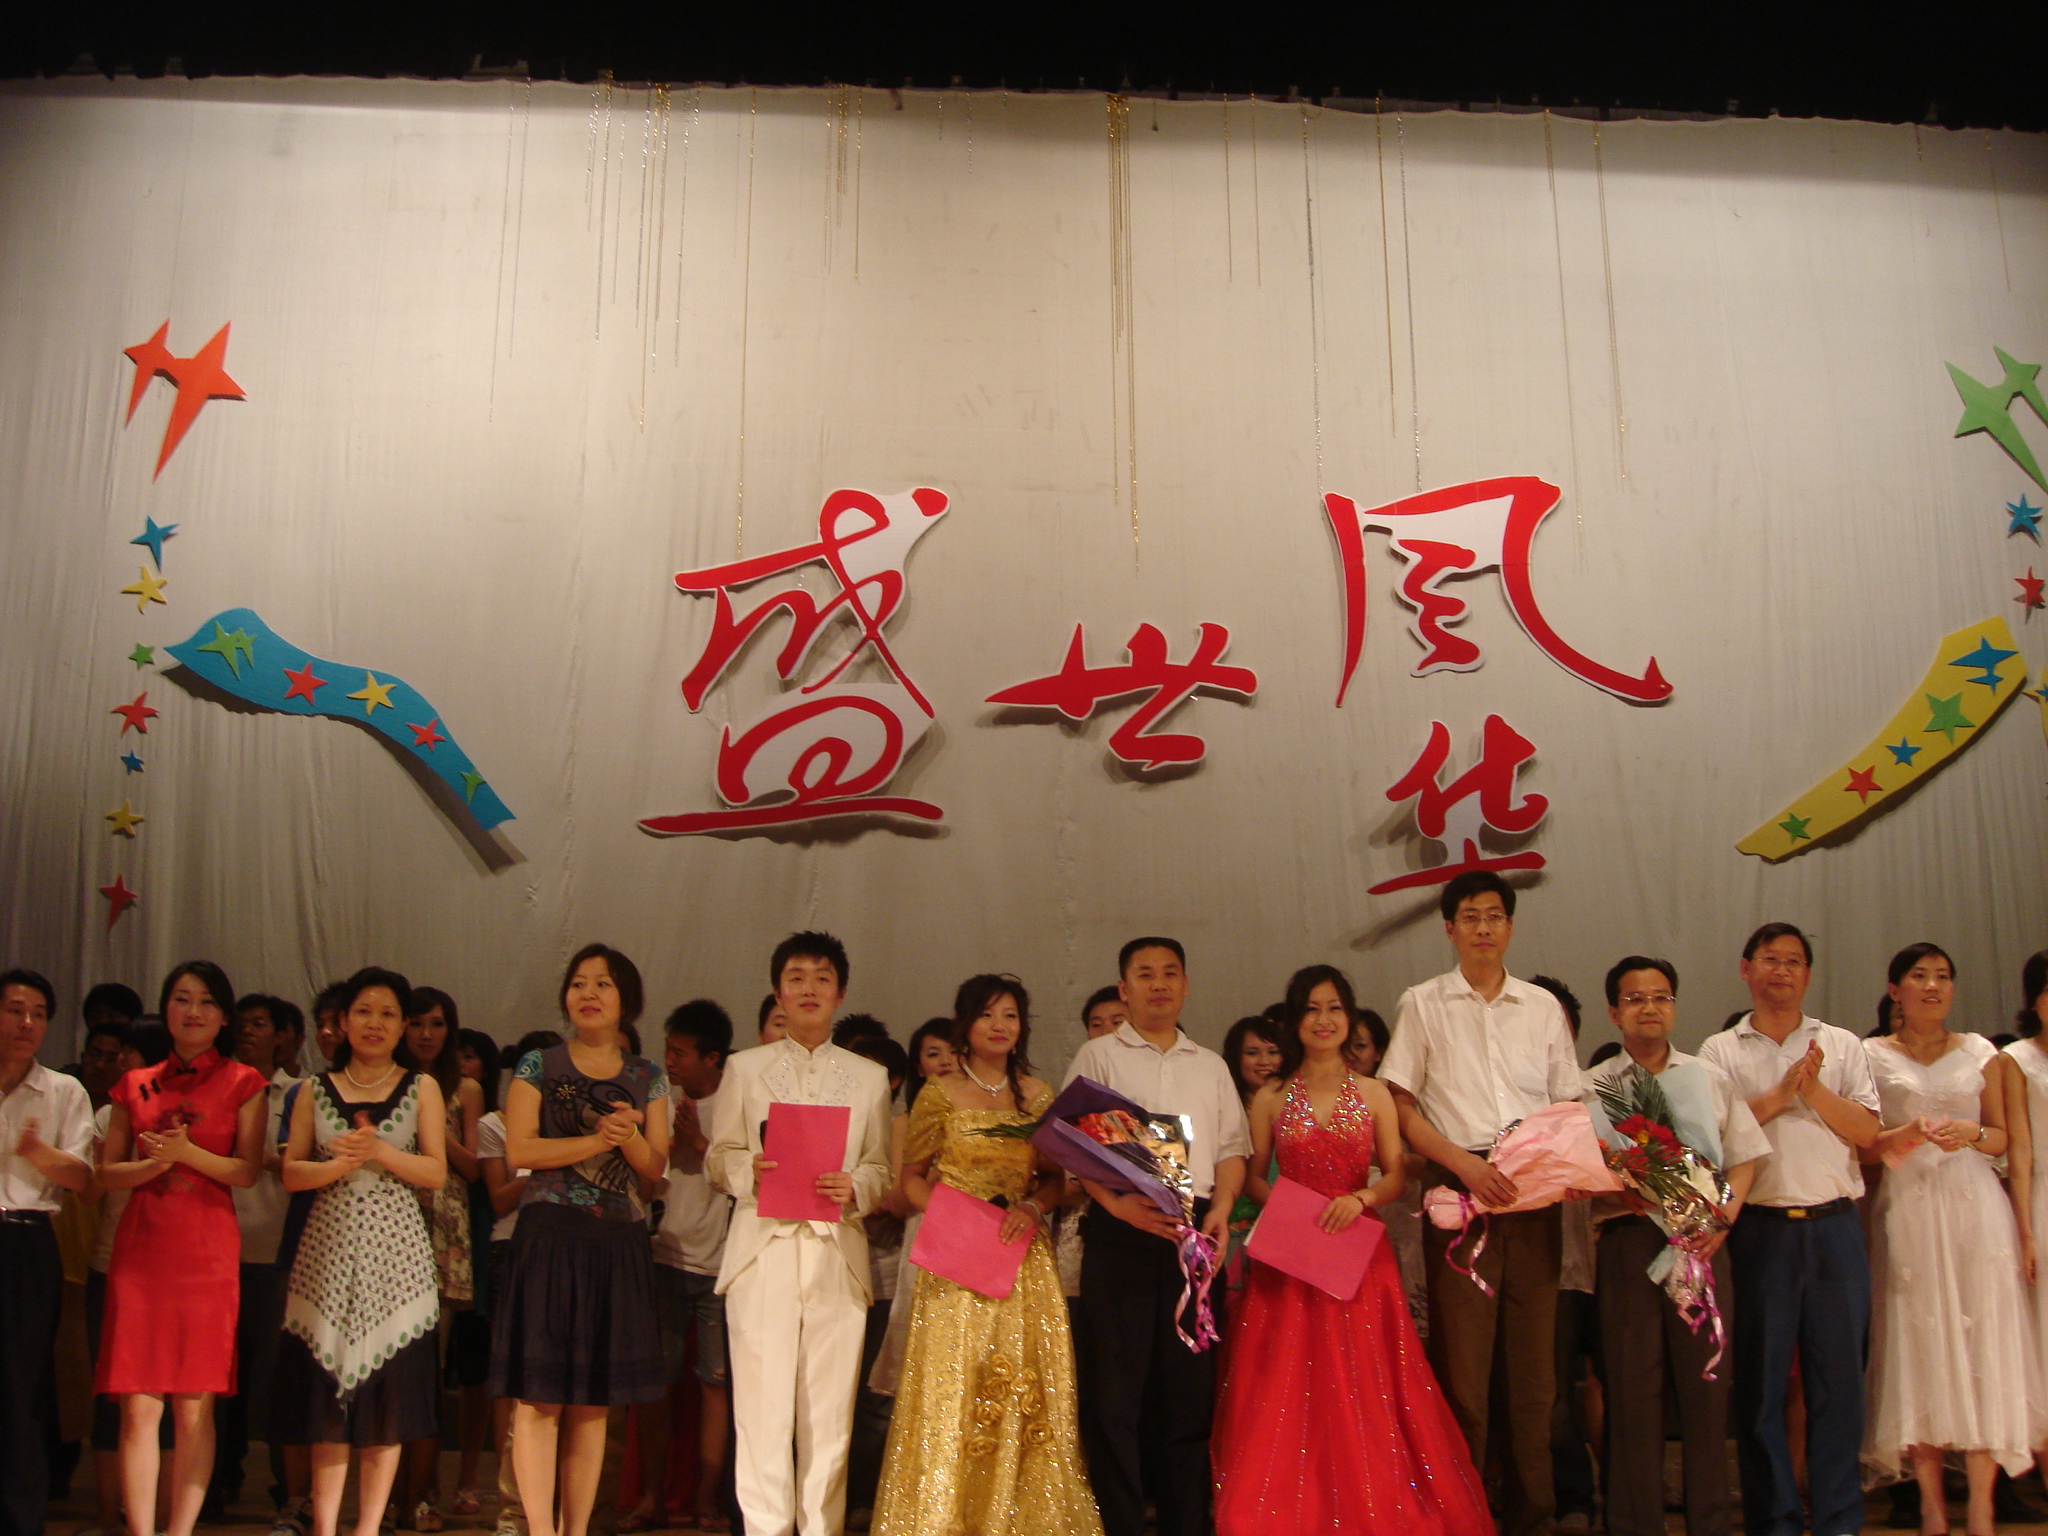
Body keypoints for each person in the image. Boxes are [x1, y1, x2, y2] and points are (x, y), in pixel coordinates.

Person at [1213, 963, 1486, 1534]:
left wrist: (1360, 1199)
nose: (1324, 1019)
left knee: (1366, 1383)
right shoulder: (1270, 1097)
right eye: (1311, 1009)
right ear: (1294, 1020)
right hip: (1290, 1258)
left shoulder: (1375, 1093)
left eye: (1334, 1008)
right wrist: (1292, 1209)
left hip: (1358, 1255)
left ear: (1350, 1016)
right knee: (1286, 1387)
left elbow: (1395, 1175)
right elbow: (1254, 1177)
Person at [1378, 871, 1579, 1536]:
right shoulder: (1423, 1003)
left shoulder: (1541, 1007)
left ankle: (1533, 1518)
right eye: (1470, 916)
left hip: (1533, 1196)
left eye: (1495, 916)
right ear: (1450, 929)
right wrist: (1464, 1164)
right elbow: (1400, 1104)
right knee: (1463, 1375)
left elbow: (1567, 1104)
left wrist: (1554, 1169)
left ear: (1510, 927)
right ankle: (1462, 1516)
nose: (1484, 927)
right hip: (1457, 1191)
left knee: (1535, 1380)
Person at [867, 975, 1098, 1536]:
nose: (1000, 1026)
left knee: (1022, 1389)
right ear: (965, 1024)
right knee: (953, 1386)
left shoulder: (1039, 1095)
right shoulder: (938, 1093)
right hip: (956, 1259)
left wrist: (1035, 1207)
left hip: (1021, 1259)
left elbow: (1053, 1179)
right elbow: (910, 1179)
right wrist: (952, 1213)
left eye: (1010, 1015)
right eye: (988, 1015)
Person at [708, 931, 894, 1536]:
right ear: (778, 992)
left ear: (840, 992)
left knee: (829, 1416)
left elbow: (880, 1167)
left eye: (821, 978)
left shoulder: (868, 1077)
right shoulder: (745, 1068)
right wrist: (750, 1171)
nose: (808, 988)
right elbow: (719, 1157)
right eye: (796, 978)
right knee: (761, 1413)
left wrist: (856, 1186)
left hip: (836, 1252)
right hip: (763, 1249)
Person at [1697, 923, 1879, 1536]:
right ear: (1745, 968)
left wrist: (1814, 1088)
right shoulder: (1720, 1050)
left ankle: (1838, 1520)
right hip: (1760, 1232)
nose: (1782, 971)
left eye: (1794, 961)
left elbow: (1869, 1133)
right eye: (1770, 960)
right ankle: (1773, 1520)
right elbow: (1710, 1136)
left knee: (1839, 1387)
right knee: (1761, 1387)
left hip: (1834, 1229)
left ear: (1808, 974)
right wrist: (1779, 1095)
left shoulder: (1841, 1043)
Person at [1063, 936, 1247, 1536]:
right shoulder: (1099, 1055)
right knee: (1116, 1398)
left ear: (1186, 986)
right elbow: (1075, 1147)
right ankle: (1121, 1523)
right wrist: (1118, 1207)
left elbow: (1232, 1150)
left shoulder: (1209, 1064)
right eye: (1145, 974)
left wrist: (1221, 1211)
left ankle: (1186, 1523)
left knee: (1188, 1396)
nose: (1159, 984)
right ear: (1125, 989)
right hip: (1122, 1234)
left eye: (1170, 973)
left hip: (1193, 1237)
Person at [1860, 943, 2044, 1533]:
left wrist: (1971, 1132)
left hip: (1974, 1205)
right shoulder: (1870, 1055)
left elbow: (2002, 1137)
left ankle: (1983, 1506)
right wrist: (1906, 1133)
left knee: (1984, 1343)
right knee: (1919, 1347)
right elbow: (1864, 1144)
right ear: (1896, 991)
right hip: (1910, 1205)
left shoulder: (1980, 1051)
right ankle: (1933, 1507)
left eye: (1943, 976)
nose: (1933, 986)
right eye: (1919, 976)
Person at [1584, 957, 1770, 1536]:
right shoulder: (1592, 1086)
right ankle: (1634, 1525)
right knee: (1632, 1390)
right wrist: (1613, 1183)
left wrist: (1721, 1219)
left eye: (1661, 997)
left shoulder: (1707, 1077)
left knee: (1706, 1391)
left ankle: (1709, 1523)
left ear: (1674, 1006)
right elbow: (1576, 1171)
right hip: (1628, 1244)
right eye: (1635, 998)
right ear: (1614, 1012)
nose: (1650, 1008)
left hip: (1702, 1244)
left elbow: (1746, 1156)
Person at [494, 946, 671, 1536]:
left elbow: (654, 1170)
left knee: (594, 1403)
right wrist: (597, 1140)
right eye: (578, 983)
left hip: (616, 1243)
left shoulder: (647, 1076)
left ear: (627, 1000)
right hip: (549, 1237)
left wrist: (627, 1137)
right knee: (539, 1399)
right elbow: (520, 1150)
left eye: (603, 983)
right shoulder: (538, 1065)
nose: (588, 993)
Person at [274, 967, 448, 1536]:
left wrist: (379, 1152)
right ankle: (326, 1525)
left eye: (388, 1014)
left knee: (386, 1402)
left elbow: (436, 1172)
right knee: (327, 1398)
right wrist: (339, 1164)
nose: (375, 1023)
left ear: (402, 1026)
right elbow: (291, 1172)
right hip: (327, 1247)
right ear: (343, 1022)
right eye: (364, 1012)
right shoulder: (313, 1089)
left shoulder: (421, 1087)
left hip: (396, 1254)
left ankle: (368, 1526)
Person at [96, 962, 268, 1536]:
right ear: (165, 1008)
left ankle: (180, 1530)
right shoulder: (135, 1082)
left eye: (206, 1001)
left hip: (206, 1254)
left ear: (224, 1016)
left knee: (196, 1406)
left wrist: (187, 1154)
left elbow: (246, 1171)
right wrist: (154, 1164)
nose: (193, 1011)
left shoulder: (244, 1082)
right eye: (181, 999)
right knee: (139, 1405)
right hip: (142, 1251)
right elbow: (108, 1172)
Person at [635, 1000, 738, 1535]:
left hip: (720, 1268)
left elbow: (749, 1178)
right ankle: (652, 1497)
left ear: (712, 1058)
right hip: (665, 1257)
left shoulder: (736, 1103)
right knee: (658, 1384)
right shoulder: (661, 1100)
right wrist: (666, 1146)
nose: (670, 1061)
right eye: (668, 1050)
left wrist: (700, 1144)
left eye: (681, 1053)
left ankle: (706, 1500)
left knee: (714, 1384)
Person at [0, 968, 95, 1536]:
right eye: (15, 1010)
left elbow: (82, 1177)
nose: (26, 1023)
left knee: (20, 1386)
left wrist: (37, 1152)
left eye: (38, 1014)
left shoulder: (63, 1092)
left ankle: (19, 1519)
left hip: (26, 1241)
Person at [209, 994, 304, 1521]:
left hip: (276, 1248)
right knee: (221, 1374)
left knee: (274, 1375)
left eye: (260, 1024)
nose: (248, 1031)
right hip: (218, 1247)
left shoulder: (297, 1092)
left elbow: (303, 1165)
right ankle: (218, 1477)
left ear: (283, 1036)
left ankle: (287, 1488)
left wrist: (260, 1160)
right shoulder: (219, 1086)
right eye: (242, 1023)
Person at [400, 987, 484, 1533]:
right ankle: (394, 1491)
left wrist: (434, 1128)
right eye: (417, 1023)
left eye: (436, 1024)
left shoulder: (465, 1088)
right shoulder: (390, 1080)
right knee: (393, 1368)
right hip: (393, 1220)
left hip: (444, 1231)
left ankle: (424, 1490)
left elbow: (474, 1167)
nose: (426, 1034)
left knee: (430, 1370)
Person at [477, 1030, 560, 1536]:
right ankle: (512, 1508)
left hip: (563, 1248)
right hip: (510, 1248)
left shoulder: (572, 1124)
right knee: (513, 1385)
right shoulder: (495, 1124)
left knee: (559, 1390)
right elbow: (499, 1198)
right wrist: (543, 1167)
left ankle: (558, 1509)